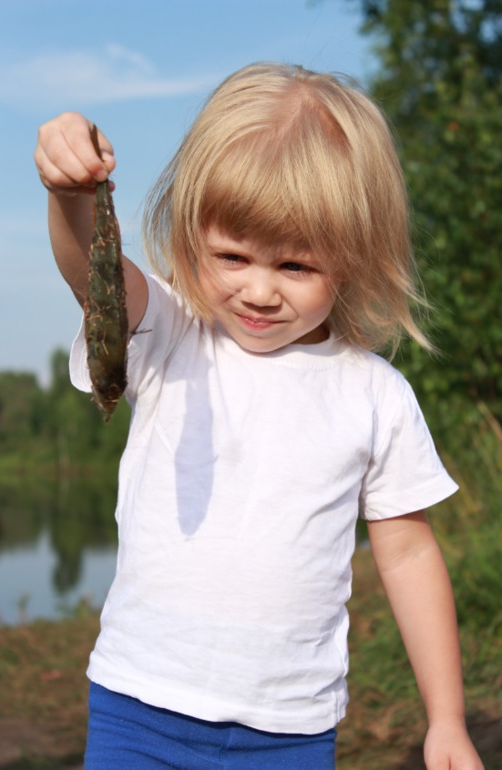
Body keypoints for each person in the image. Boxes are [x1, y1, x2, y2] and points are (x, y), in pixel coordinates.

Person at [35, 62, 484, 770]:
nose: (259, 289)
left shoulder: (372, 394)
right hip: (137, 709)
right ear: (193, 235)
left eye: (296, 267)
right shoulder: (173, 333)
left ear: (352, 259)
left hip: (289, 732)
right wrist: (70, 198)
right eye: (232, 255)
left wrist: (446, 719)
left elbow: (407, 553)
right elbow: (94, 283)